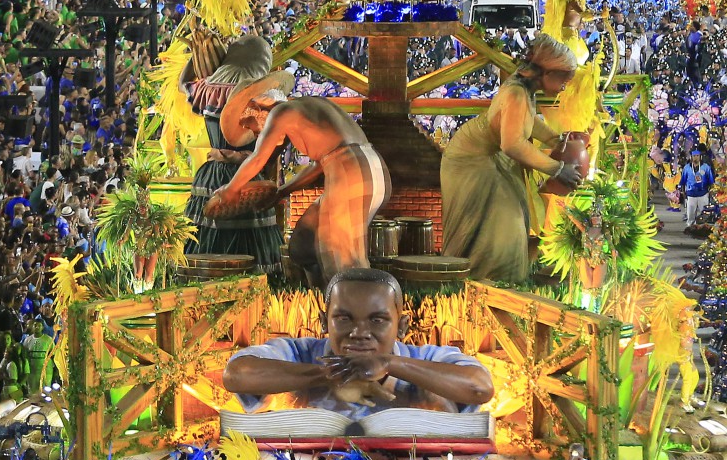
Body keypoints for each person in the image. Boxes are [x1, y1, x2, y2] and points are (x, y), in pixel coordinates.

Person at [222, 268, 493, 418]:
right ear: (323, 321)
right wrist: (331, 374)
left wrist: (390, 364)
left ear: (402, 326)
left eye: (377, 321)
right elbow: (236, 374)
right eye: (343, 319)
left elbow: (479, 387)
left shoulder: (424, 359)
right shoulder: (300, 352)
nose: (359, 333)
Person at [216, 75, 390, 284]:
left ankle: (358, 310)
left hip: (350, 172)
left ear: (256, 107)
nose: (254, 132)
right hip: (371, 167)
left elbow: (258, 157)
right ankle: (318, 298)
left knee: (343, 260)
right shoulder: (309, 106)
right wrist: (281, 192)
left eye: (251, 126)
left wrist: (231, 189)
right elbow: (319, 165)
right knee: (304, 244)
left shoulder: (281, 112)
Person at [439, 34, 585, 282]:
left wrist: (555, 140)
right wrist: (557, 168)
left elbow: (527, 122)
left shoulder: (526, 90)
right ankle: (482, 283)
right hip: (472, 161)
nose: (566, 85)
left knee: (511, 219)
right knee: (503, 224)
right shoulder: (516, 93)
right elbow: (513, 144)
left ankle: (495, 282)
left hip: (491, 158)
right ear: (547, 73)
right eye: (564, 78)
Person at [181, 35, 284, 272]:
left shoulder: (207, 88)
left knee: (205, 229)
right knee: (251, 234)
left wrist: (194, 56)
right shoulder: (258, 97)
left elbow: (182, 83)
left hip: (210, 174)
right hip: (248, 172)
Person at [680, 148, 714, 229]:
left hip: (703, 193)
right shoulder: (687, 168)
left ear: (700, 157)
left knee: (704, 212)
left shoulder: (706, 167)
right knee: (690, 213)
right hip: (691, 194)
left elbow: (711, 181)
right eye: (694, 156)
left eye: (697, 156)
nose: (696, 157)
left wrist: (711, 191)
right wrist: (683, 192)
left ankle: (704, 228)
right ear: (691, 157)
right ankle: (690, 227)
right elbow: (683, 181)